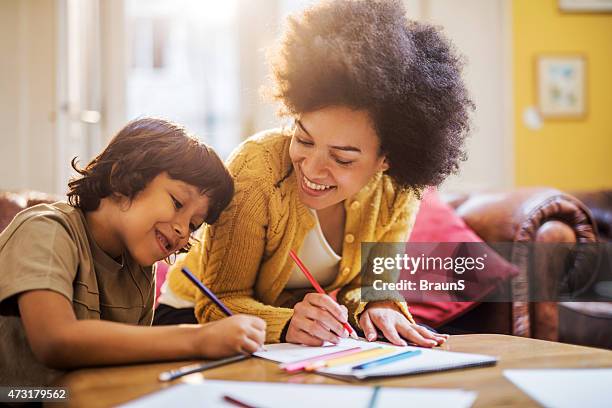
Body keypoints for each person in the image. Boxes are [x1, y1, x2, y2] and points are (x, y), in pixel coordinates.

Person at [157, 0, 472, 347]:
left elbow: (373, 286)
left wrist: (380, 305)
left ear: (386, 160)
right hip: (193, 318)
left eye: (342, 158)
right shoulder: (256, 172)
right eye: (304, 139)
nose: (311, 167)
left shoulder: (395, 191)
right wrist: (288, 321)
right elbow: (219, 302)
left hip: (291, 338)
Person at [0, 118, 266, 386]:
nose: (183, 230)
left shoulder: (139, 268)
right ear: (122, 176)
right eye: (177, 203)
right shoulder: (47, 228)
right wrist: (200, 338)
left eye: (193, 225)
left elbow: (127, 358)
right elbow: (54, 341)